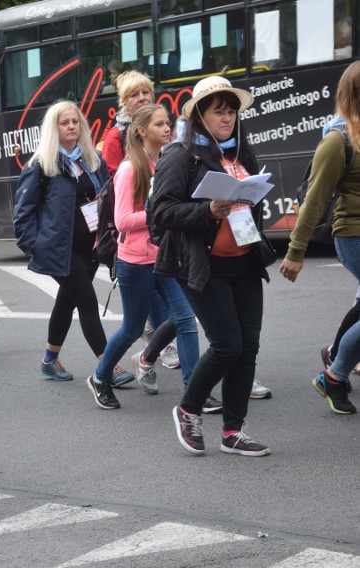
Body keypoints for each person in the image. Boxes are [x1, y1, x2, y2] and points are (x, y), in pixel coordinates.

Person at [151, 76, 272, 457]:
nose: (227, 117)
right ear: (201, 115)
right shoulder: (181, 154)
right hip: (203, 265)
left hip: (245, 262)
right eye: (219, 110)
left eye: (232, 110)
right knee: (227, 345)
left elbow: (255, 204)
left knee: (247, 348)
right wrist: (207, 211)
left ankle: (232, 432)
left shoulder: (240, 153)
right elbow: (161, 211)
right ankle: (189, 409)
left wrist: (251, 202)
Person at [13, 100, 135, 390]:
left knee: (66, 302)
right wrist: (36, 246)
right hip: (59, 249)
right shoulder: (41, 164)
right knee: (88, 303)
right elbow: (23, 213)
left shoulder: (92, 159)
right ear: (53, 128)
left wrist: (112, 235)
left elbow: (110, 198)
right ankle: (107, 367)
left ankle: (49, 361)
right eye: (64, 122)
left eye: (75, 121)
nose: (71, 126)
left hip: (91, 248)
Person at [90, 104, 199, 407]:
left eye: (168, 124)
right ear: (142, 130)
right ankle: (100, 376)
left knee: (186, 319)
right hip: (135, 262)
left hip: (164, 258)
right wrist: (157, 213)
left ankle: (195, 392)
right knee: (133, 328)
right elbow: (123, 220)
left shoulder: (163, 163)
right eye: (160, 125)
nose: (168, 129)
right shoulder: (129, 168)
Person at [279, 61, 360, 415]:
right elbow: (314, 200)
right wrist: (296, 250)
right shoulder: (337, 140)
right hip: (354, 235)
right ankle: (334, 375)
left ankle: (336, 367)